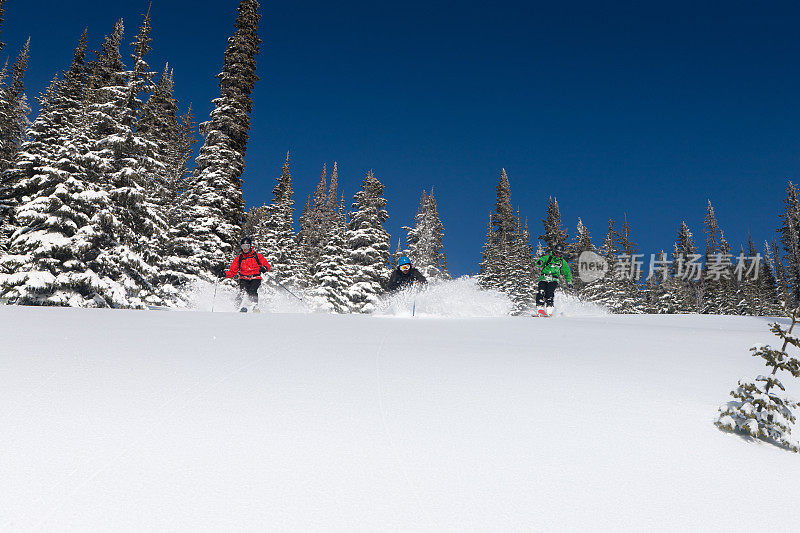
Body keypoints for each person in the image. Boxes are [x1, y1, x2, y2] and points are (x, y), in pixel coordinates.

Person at [225, 237, 271, 312]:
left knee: (252, 291)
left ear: (250, 246)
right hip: (244, 278)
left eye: (247, 246)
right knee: (242, 292)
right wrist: (224, 274)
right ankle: (237, 308)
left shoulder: (257, 256)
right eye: (243, 247)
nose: (245, 249)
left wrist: (264, 268)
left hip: (255, 278)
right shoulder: (239, 258)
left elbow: (267, 265)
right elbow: (232, 272)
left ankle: (254, 306)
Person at [535, 244, 572, 317]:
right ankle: (540, 308)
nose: (558, 254)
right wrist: (540, 262)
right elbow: (540, 261)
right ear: (554, 252)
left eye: (560, 253)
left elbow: (567, 272)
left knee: (549, 292)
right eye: (556, 252)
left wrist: (569, 282)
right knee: (541, 291)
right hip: (544, 278)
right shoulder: (548, 258)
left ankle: (549, 309)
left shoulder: (562, 262)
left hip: (554, 279)